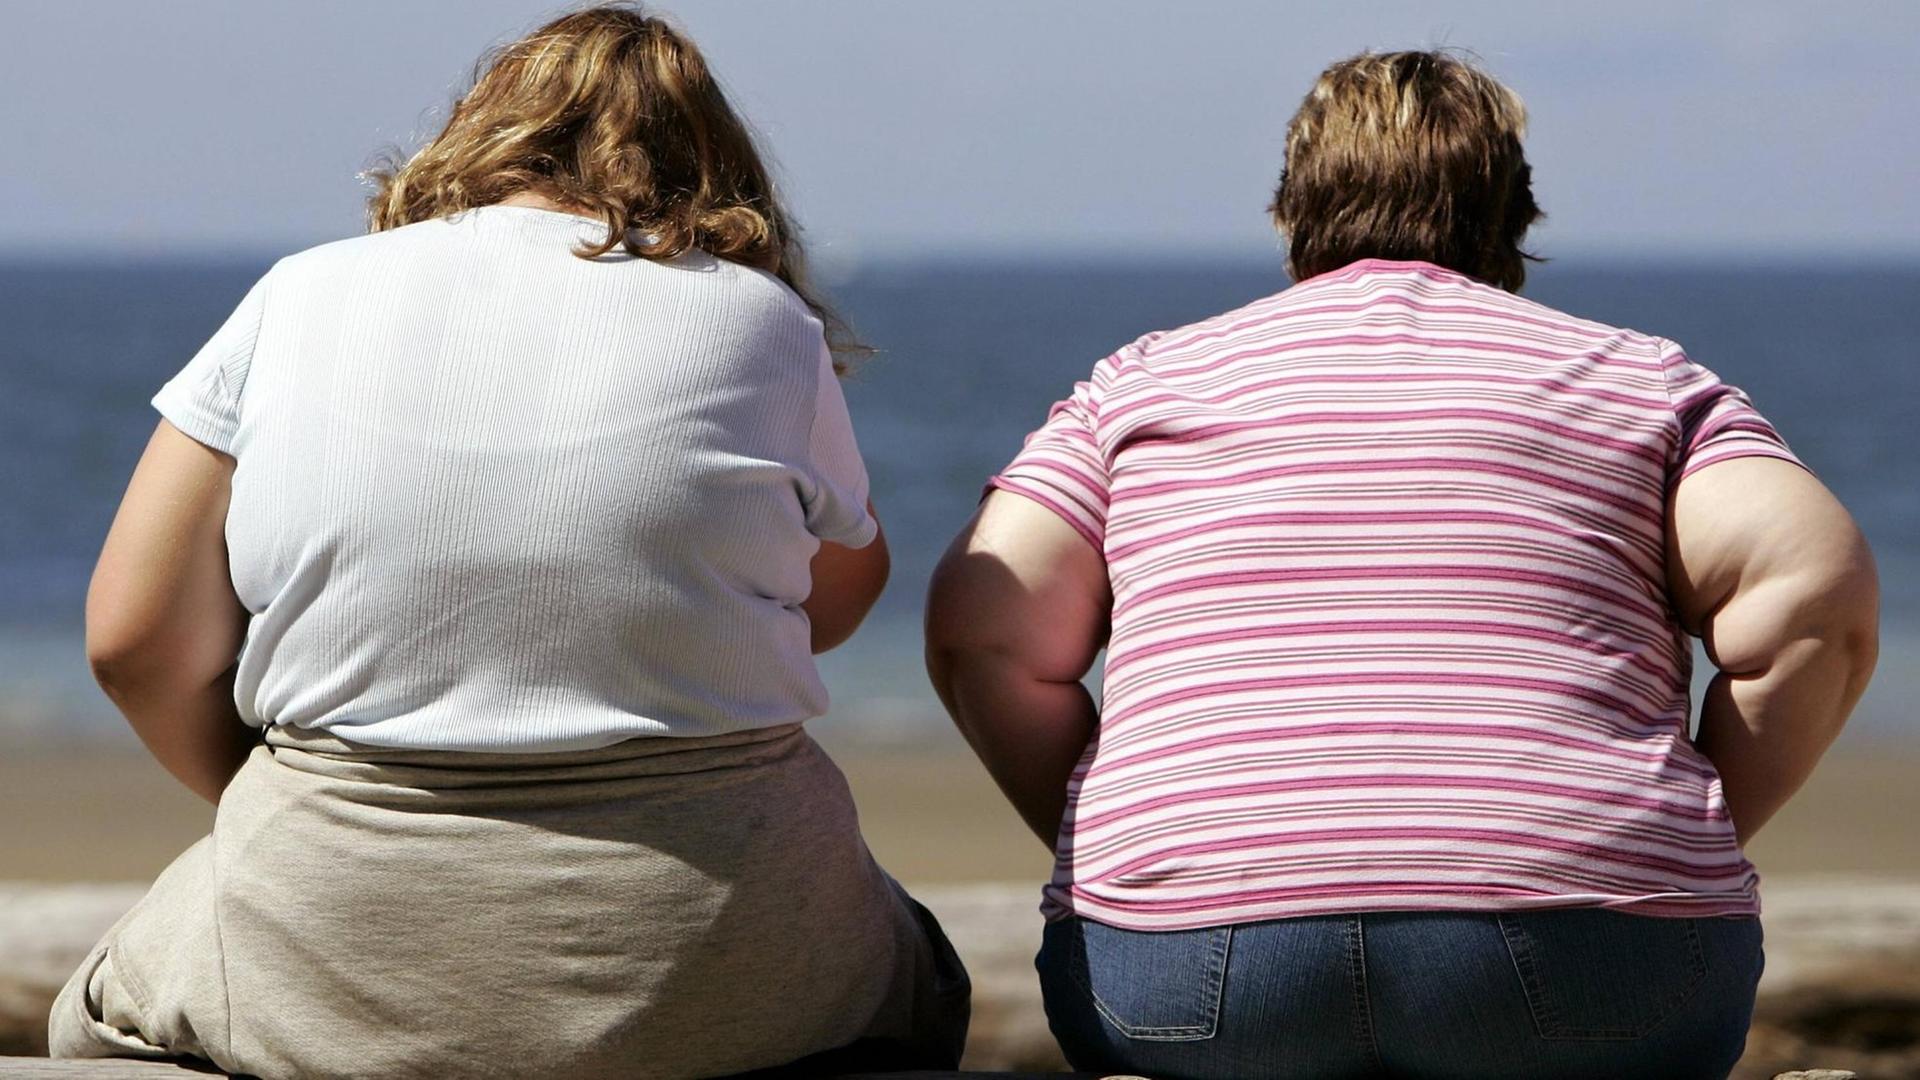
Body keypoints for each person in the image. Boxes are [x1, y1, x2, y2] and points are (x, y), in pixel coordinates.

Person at [51, 7, 968, 1078]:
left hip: (326, 930)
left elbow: (133, 640)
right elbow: (841, 596)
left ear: (478, 137)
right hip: (725, 941)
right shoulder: (762, 322)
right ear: (718, 174)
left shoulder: (298, 293)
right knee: (921, 993)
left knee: (100, 1024)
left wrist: (292, 801)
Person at [925, 49, 1877, 1080]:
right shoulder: (1641, 381)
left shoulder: (1141, 384)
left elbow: (984, 626)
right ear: (1514, 214)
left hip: (1186, 977)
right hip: (1601, 965)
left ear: (1293, 210)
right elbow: (1814, 603)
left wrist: (1113, 845)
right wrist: (1662, 841)